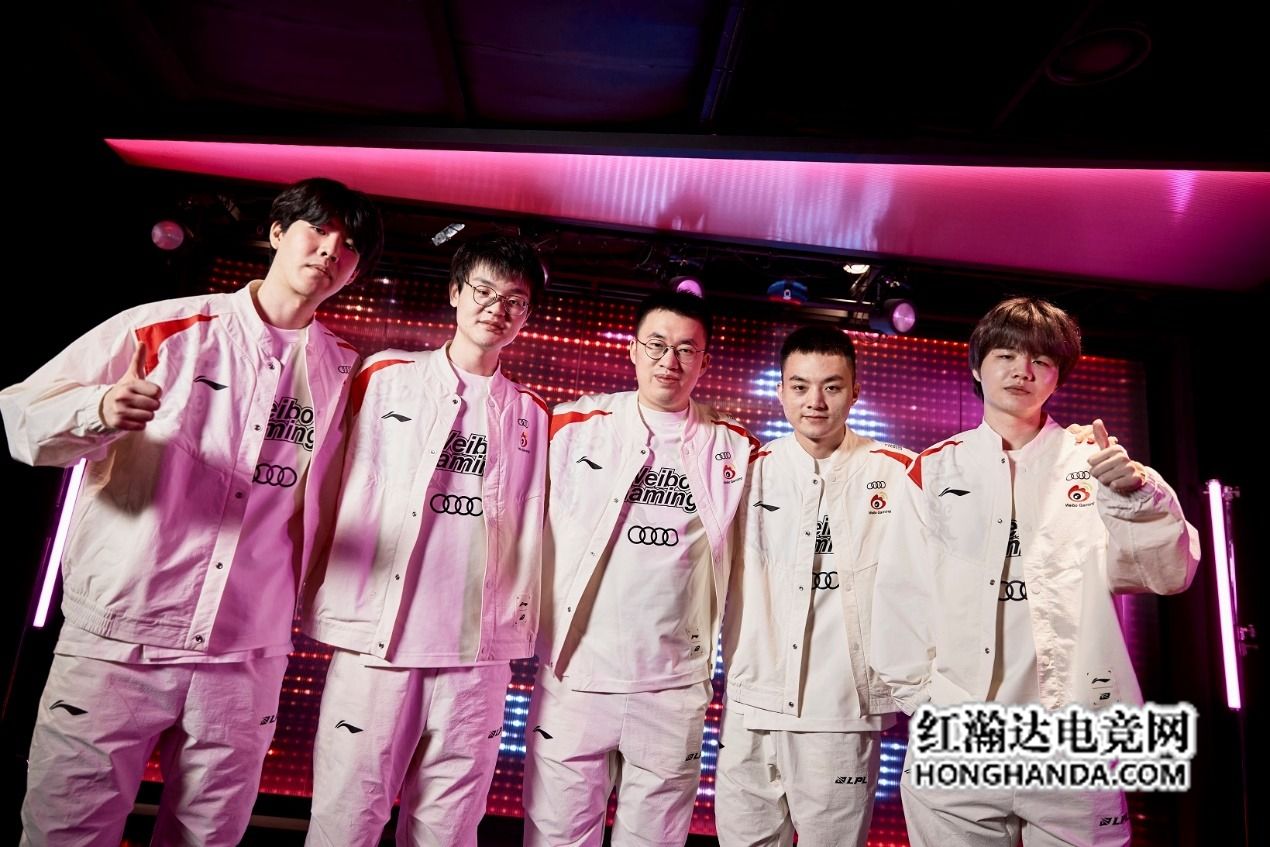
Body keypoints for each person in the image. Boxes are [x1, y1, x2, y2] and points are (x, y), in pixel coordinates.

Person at [0, 177, 384, 846]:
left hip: (247, 647)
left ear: (354, 272)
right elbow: (22, 418)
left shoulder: (343, 371)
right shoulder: (165, 328)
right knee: (67, 831)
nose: (330, 250)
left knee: (209, 836)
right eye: (318, 230)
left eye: (349, 245)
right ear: (276, 232)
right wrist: (96, 409)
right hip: (121, 632)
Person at [870, 296, 1201, 847]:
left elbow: (1170, 575)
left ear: (1058, 377)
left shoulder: (1100, 466)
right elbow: (900, 599)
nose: (1022, 371)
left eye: (1040, 361)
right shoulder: (934, 469)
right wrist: (928, 706)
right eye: (1005, 355)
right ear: (978, 367)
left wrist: (1136, 495)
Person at [301, 233, 548, 846]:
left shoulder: (534, 415)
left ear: (526, 316)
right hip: (378, 641)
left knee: (449, 830)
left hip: (477, 655)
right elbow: (320, 476)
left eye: (514, 300)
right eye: (484, 291)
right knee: (345, 820)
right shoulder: (384, 375)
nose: (497, 309)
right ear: (455, 293)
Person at [522, 290, 758, 847]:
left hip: (673, 687)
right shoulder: (571, 426)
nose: (669, 361)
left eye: (685, 350)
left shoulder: (735, 448)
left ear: (705, 361)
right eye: (656, 345)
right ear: (632, 349)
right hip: (576, 676)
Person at [717, 325, 913, 847]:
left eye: (832, 386)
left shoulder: (899, 473)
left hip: (842, 710)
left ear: (855, 391)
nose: (815, 402)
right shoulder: (747, 472)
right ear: (780, 391)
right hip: (751, 702)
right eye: (800, 386)